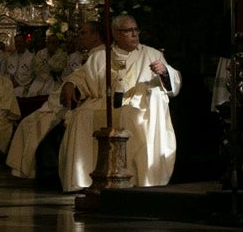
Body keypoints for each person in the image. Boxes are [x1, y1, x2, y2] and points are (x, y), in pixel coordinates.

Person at [59, 15, 179, 191]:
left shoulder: (152, 54)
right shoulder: (100, 56)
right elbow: (81, 75)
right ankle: (83, 179)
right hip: (103, 104)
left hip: (138, 104)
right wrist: (70, 83)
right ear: (115, 33)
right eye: (128, 31)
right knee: (82, 117)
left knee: (128, 115)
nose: (134, 34)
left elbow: (173, 79)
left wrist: (164, 72)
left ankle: (134, 176)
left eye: (136, 30)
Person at [6, 23, 93, 182]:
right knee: (29, 123)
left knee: (41, 124)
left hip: (79, 103)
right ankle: (37, 170)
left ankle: (49, 171)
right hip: (59, 97)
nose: (79, 38)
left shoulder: (96, 55)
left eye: (83, 34)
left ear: (96, 36)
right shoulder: (83, 56)